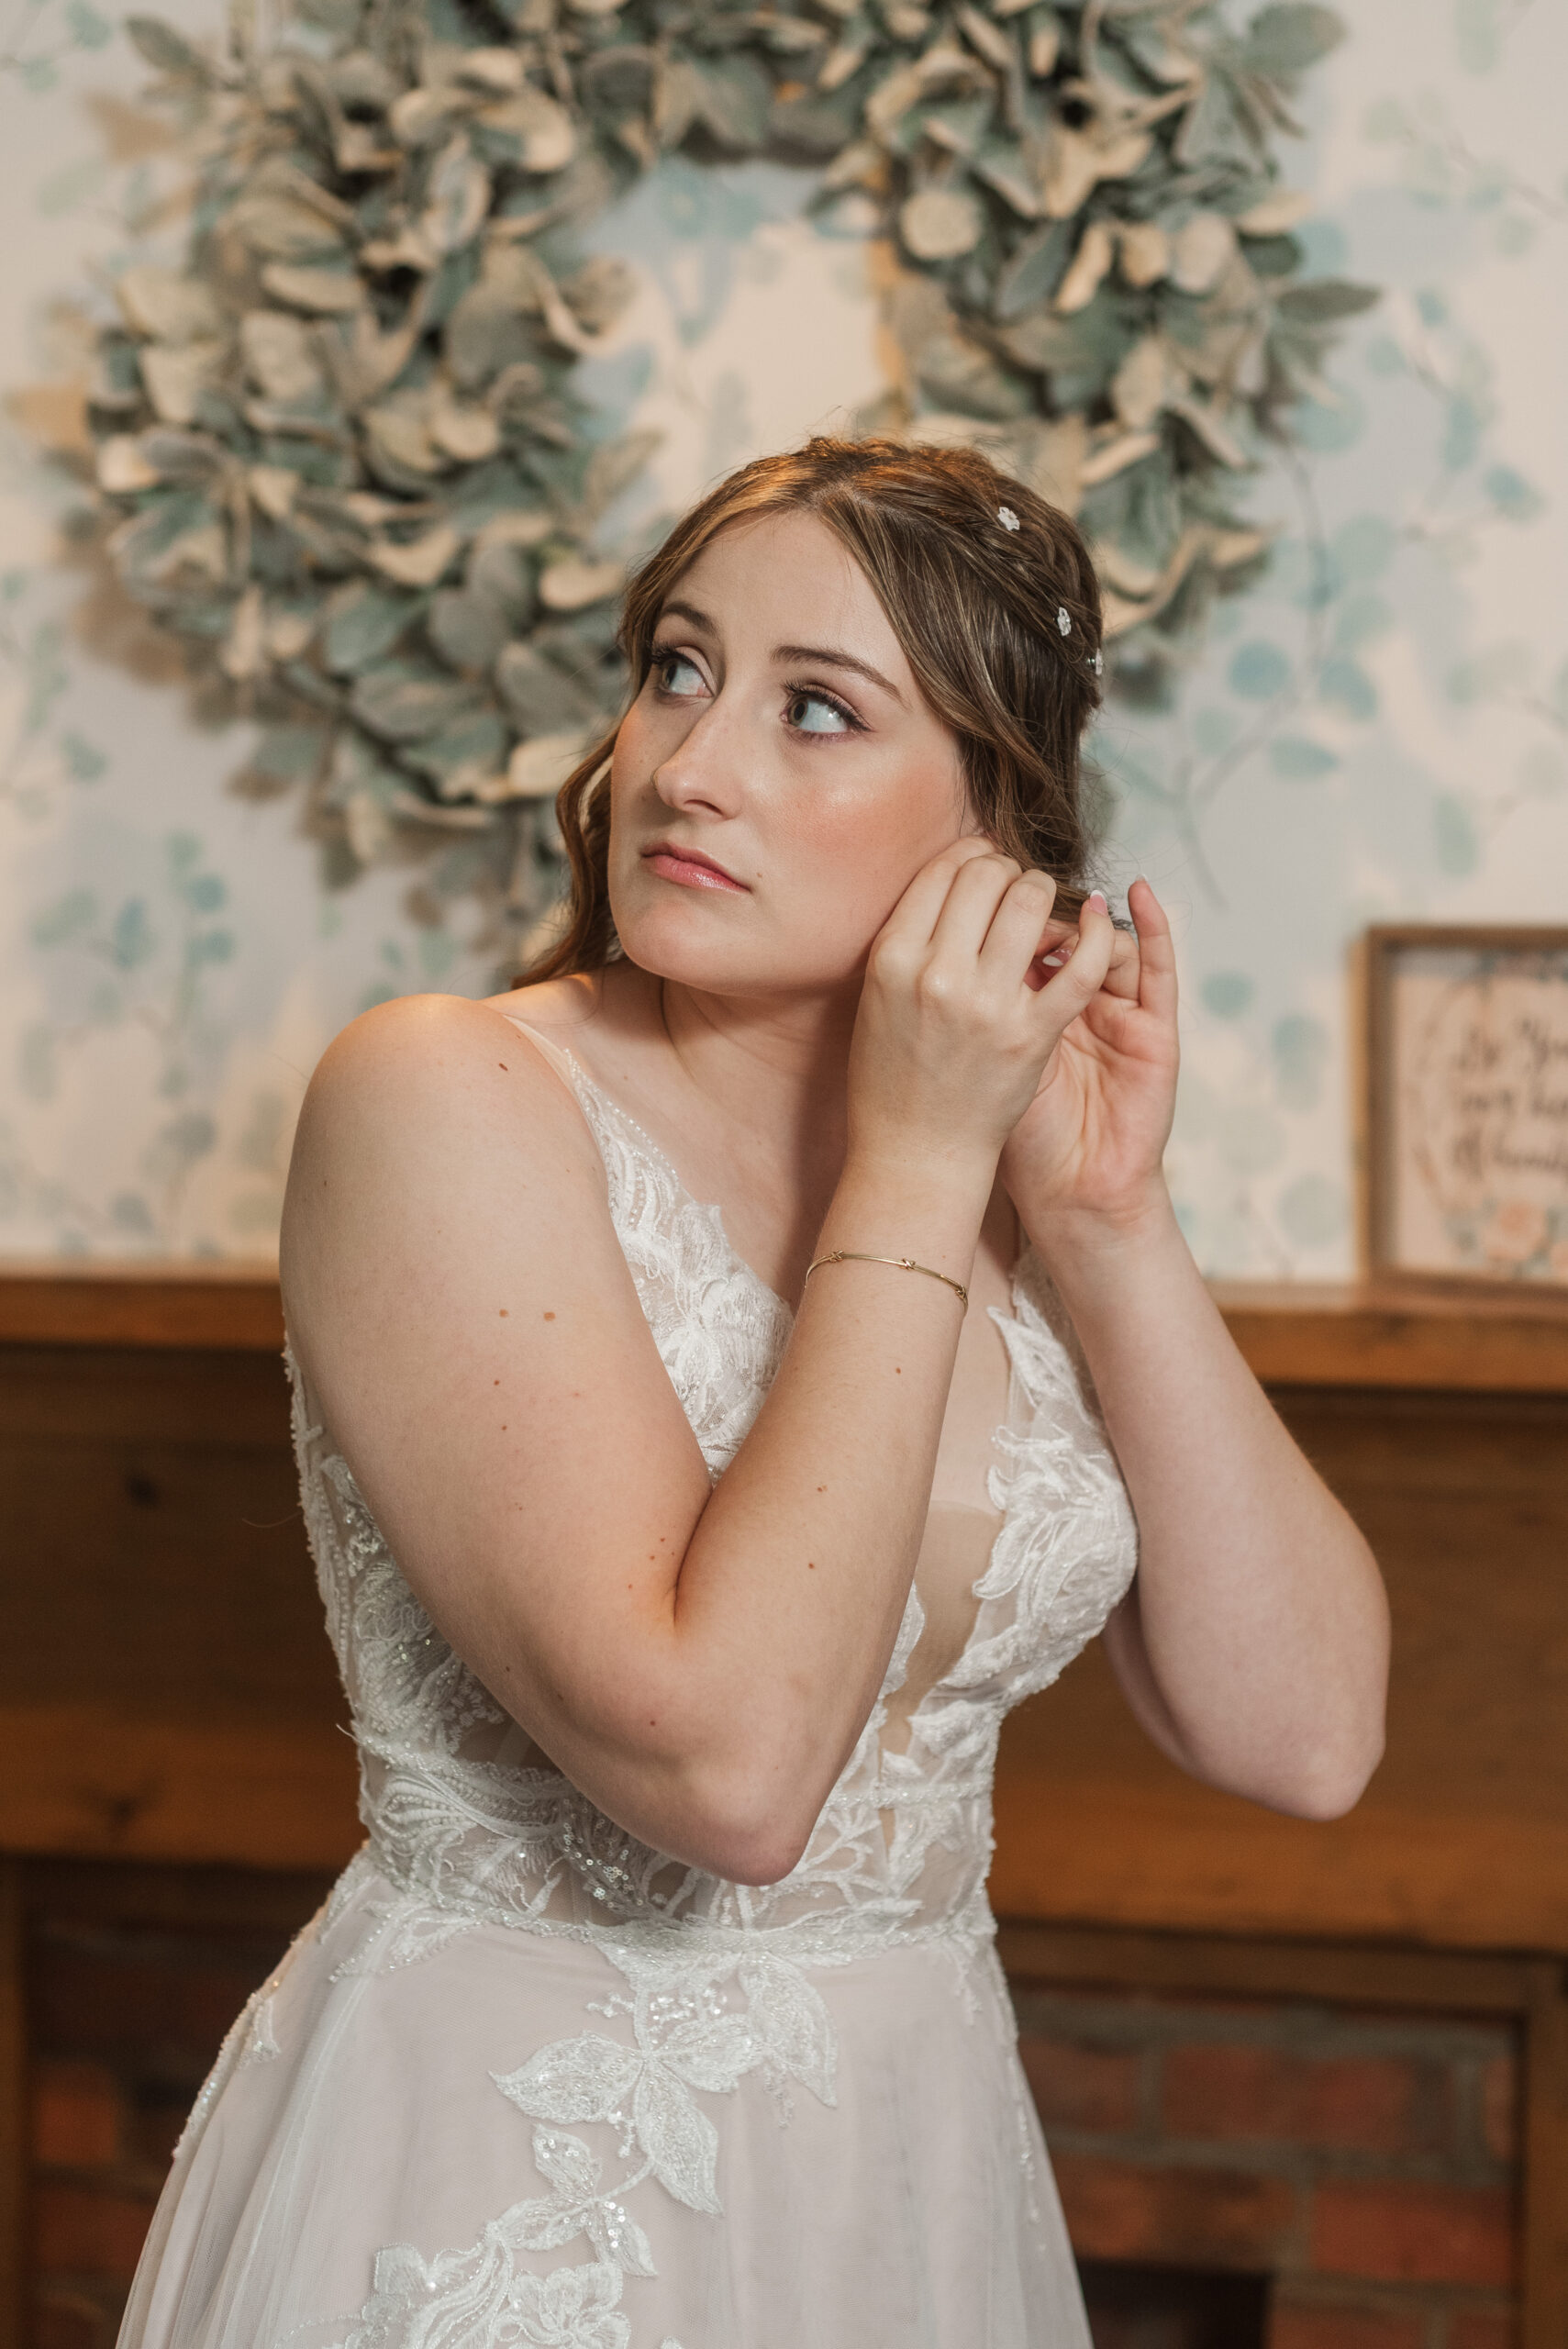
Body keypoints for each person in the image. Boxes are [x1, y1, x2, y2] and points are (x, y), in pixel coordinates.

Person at [117, 437, 1389, 2349]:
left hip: (905, 2183)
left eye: (815, 709)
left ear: (994, 824)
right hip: (515, 2186)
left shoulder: (1019, 1176)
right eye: (678, 668)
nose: (689, 765)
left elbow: (1307, 1740)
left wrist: (1108, 1222)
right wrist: (917, 1158)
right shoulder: (447, 1097)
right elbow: (728, 1770)